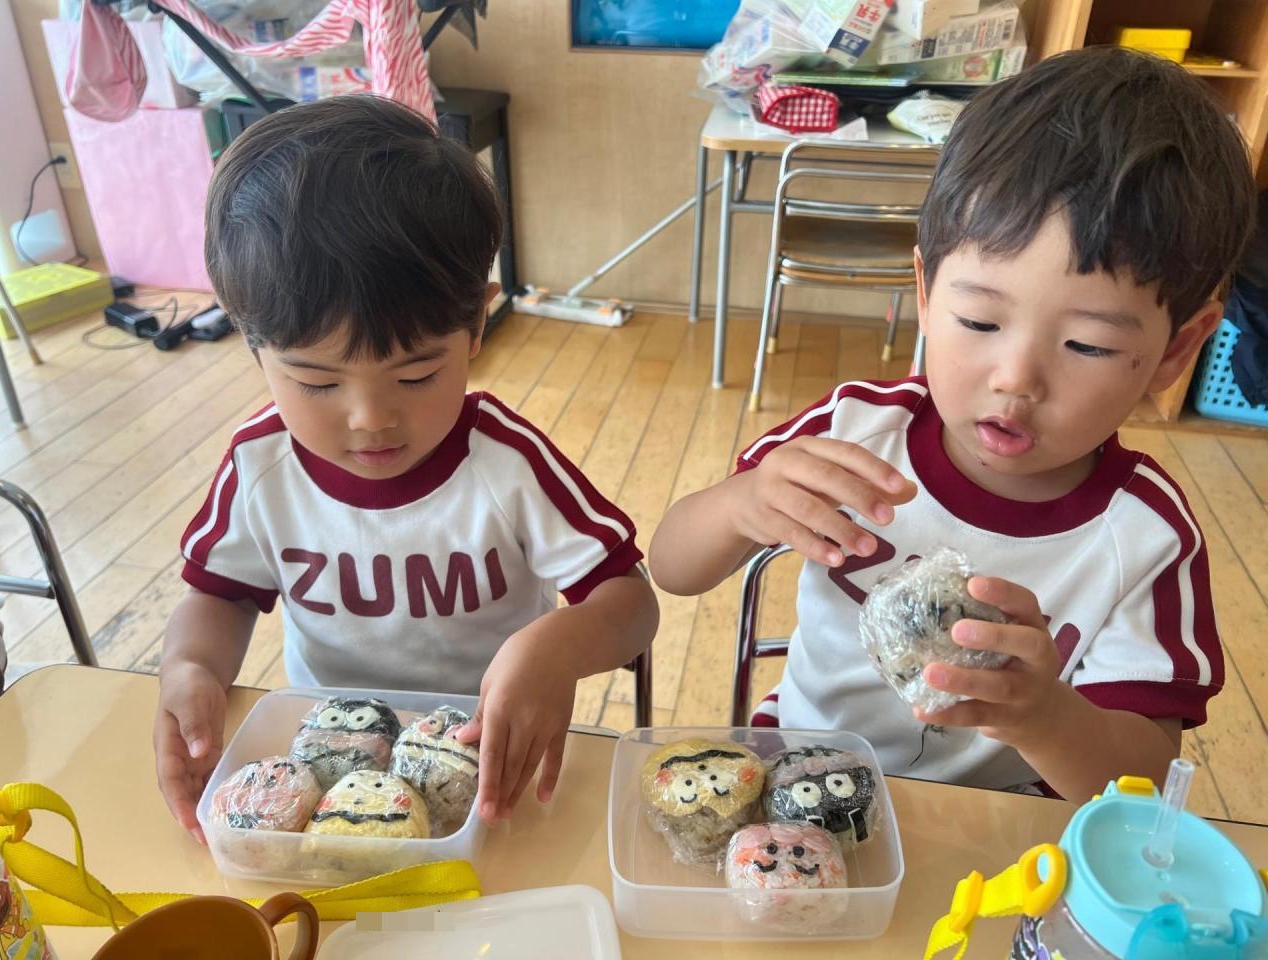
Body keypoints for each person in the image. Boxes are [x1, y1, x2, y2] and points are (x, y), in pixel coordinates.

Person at [650, 47, 1254, 802]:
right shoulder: (855, 429)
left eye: (1088, 345)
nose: (1016, 378)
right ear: (926, 294)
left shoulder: (1144, 538)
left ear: (1176, 351)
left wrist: (1045, 715)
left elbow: (1145, 781)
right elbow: (673, 568)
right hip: (800, 774)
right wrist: (743, 504)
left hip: (1004, 819)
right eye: (979, 320)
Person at [154, 96, 659, 843]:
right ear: (252, 345)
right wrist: (190, 668)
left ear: (478, 323)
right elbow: (220, 595)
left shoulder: (507, 464)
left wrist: (558, 647)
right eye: (317, 382)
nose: (370, 418)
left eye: (417, 374)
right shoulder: (261, 464)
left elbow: (630, 602)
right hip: (329, 776)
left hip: (489, 768)